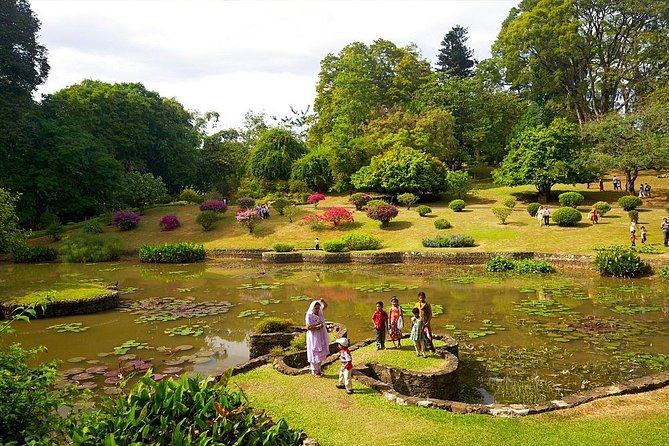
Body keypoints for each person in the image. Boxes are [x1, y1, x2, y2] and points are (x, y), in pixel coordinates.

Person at [305, 299, 328, 377]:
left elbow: (325, 306)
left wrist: (322, 301)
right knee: (314, 351)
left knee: (321, 351)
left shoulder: (319, 312)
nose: (317, 310)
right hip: (314, 336)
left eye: (318, 308)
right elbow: (308, 327)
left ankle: (319, 370)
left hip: (321, 335)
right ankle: (315, 371)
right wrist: (318, 326)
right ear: (312, 308)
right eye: (316, 308)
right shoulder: (309, 315)